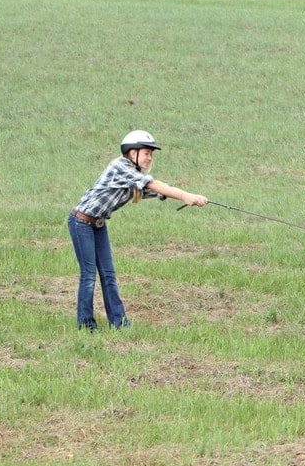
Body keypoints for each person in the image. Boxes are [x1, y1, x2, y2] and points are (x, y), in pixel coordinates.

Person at [68, 130, 208, 331]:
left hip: (98, 224)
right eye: (146, 153)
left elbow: (154, 189)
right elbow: (152, 184)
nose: (149, 157)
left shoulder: (134, 176)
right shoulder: (121, 167)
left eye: (151, 154)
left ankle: (119, 323)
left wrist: (192, 198)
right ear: (132, 153)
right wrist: (185, 195)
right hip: (81, 223)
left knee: (108, 275)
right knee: (89, 275)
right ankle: (86, 325)